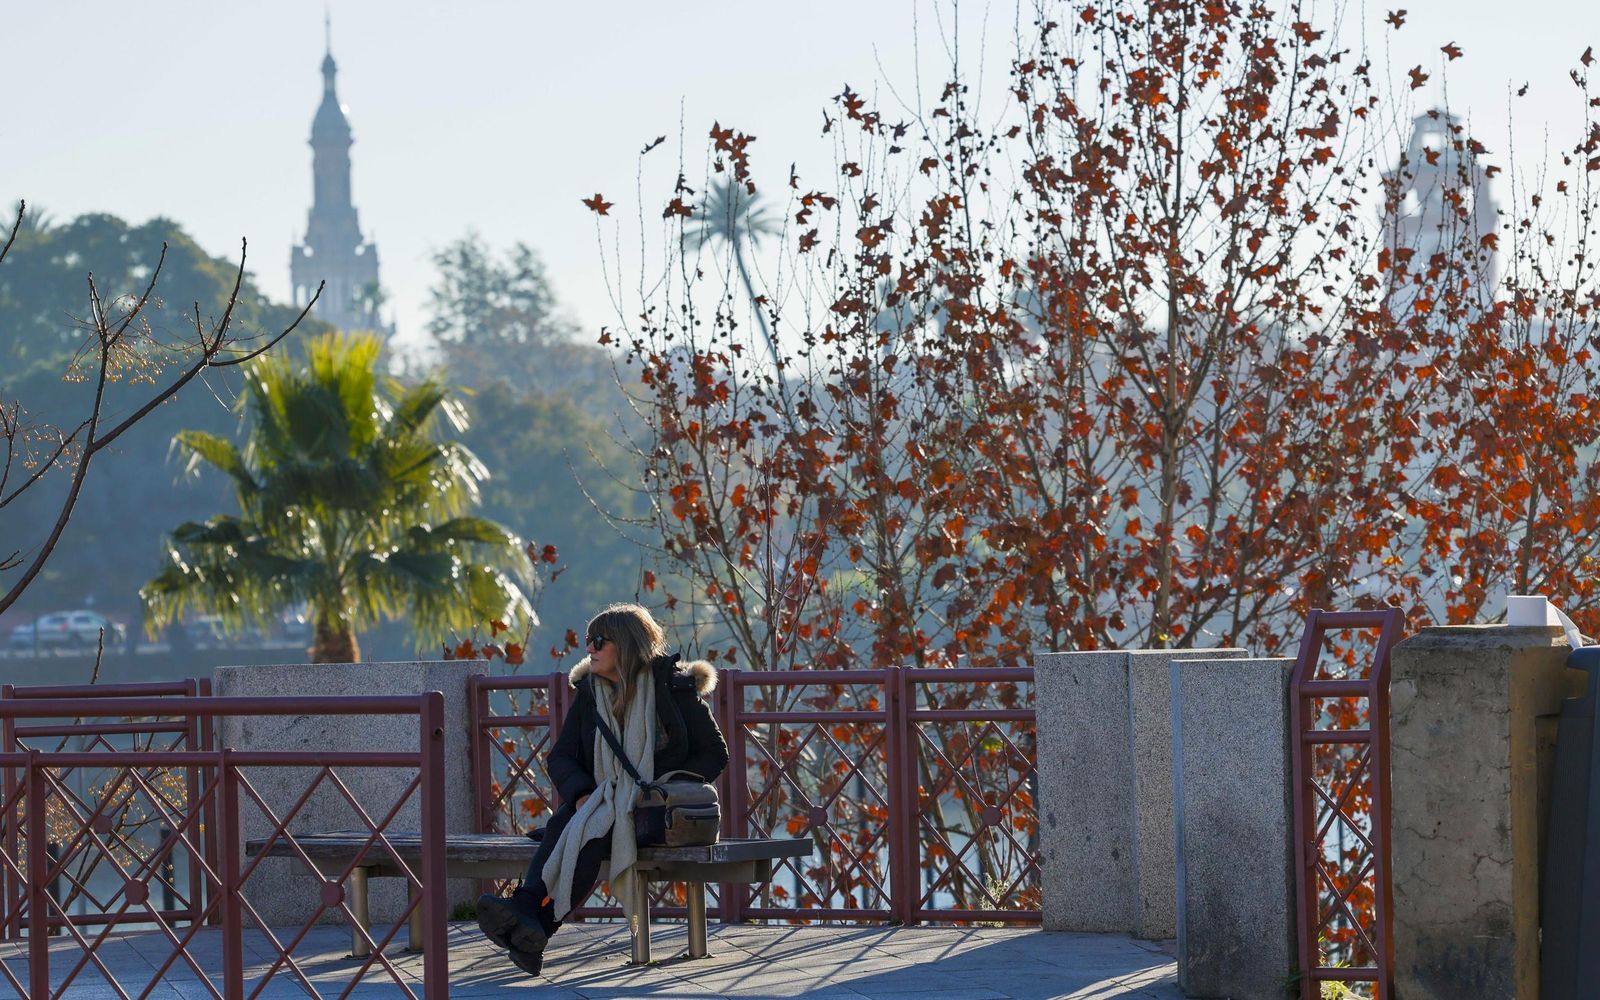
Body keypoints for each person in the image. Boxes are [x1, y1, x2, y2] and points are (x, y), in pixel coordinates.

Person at [476, 603, 729, 976]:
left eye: (599, 641)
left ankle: (529, 910)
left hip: (661, 811)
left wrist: (663, 787)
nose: (590, 649)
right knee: (587, 817)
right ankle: (536, 928)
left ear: (625, 646)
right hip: (607, 807)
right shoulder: (589, 694)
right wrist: (580, 792)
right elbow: (561, 757)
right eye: (588, 641)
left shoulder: (674, 687)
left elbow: (714, 753)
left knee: (589, 821)